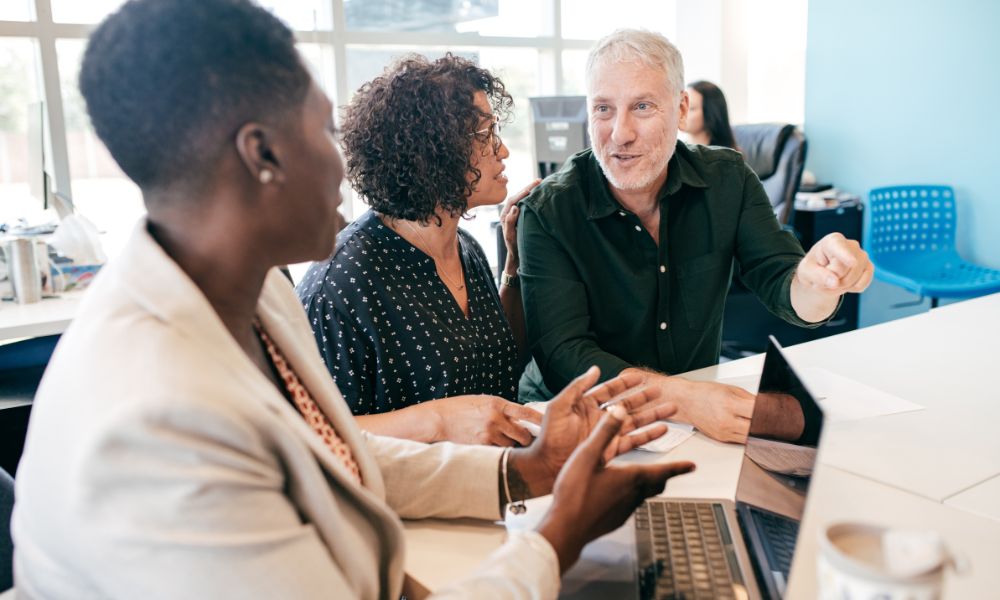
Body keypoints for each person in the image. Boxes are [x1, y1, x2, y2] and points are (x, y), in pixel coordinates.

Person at [11, 3, 696, 598]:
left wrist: (524, 471)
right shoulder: (162, 426)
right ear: (262, 155)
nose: (346, 164)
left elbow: (330, 450)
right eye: (321, 131)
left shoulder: (245, 296)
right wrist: (559, 533)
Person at [517, 29, 873, 443]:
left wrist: (818, 283)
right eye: (603, 109)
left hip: (691, 419)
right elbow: (565, 354)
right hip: (579, 418)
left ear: (682, 109)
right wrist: (681, 398)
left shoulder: (728, 178)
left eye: (643, 107)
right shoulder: (549, 211)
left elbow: (782, 281)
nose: (619, 133)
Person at [296, 54, 542, 447]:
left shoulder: (467, 248)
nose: (503, 151)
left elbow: (500, 365)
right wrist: (438, 423)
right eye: (485, 134)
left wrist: (513, 263)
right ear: (432, 150)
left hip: (490, 484)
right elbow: (317, 435)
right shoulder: (341, 286)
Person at [681, 80, 738, 150]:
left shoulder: (726, 157)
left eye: (691, 108)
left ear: (710, 113)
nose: (682, 112)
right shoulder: (676, 151)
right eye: (681, 106)